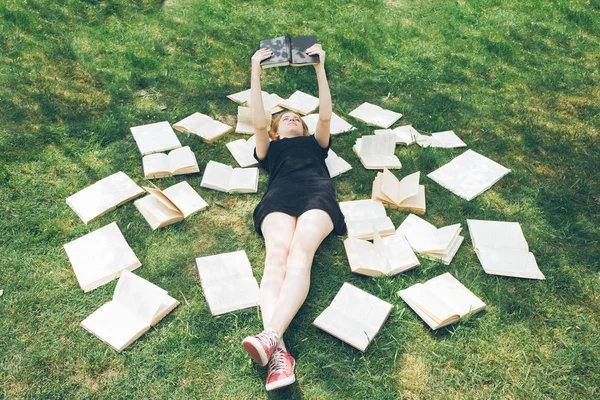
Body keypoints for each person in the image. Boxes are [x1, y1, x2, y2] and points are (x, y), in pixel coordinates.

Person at [241, 43, 346, 391]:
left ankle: (271, 338)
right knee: (275, 261)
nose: (292, 117)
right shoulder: (269, 148)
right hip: (280, 197)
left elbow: (326, 116)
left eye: (297, 118)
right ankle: (279, 353)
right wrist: (255, 70)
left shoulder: (316, 143)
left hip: (317, 193)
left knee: (301, 256)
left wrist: (319, 68)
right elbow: (257, 119)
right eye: (284, 117)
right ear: (273, 130)